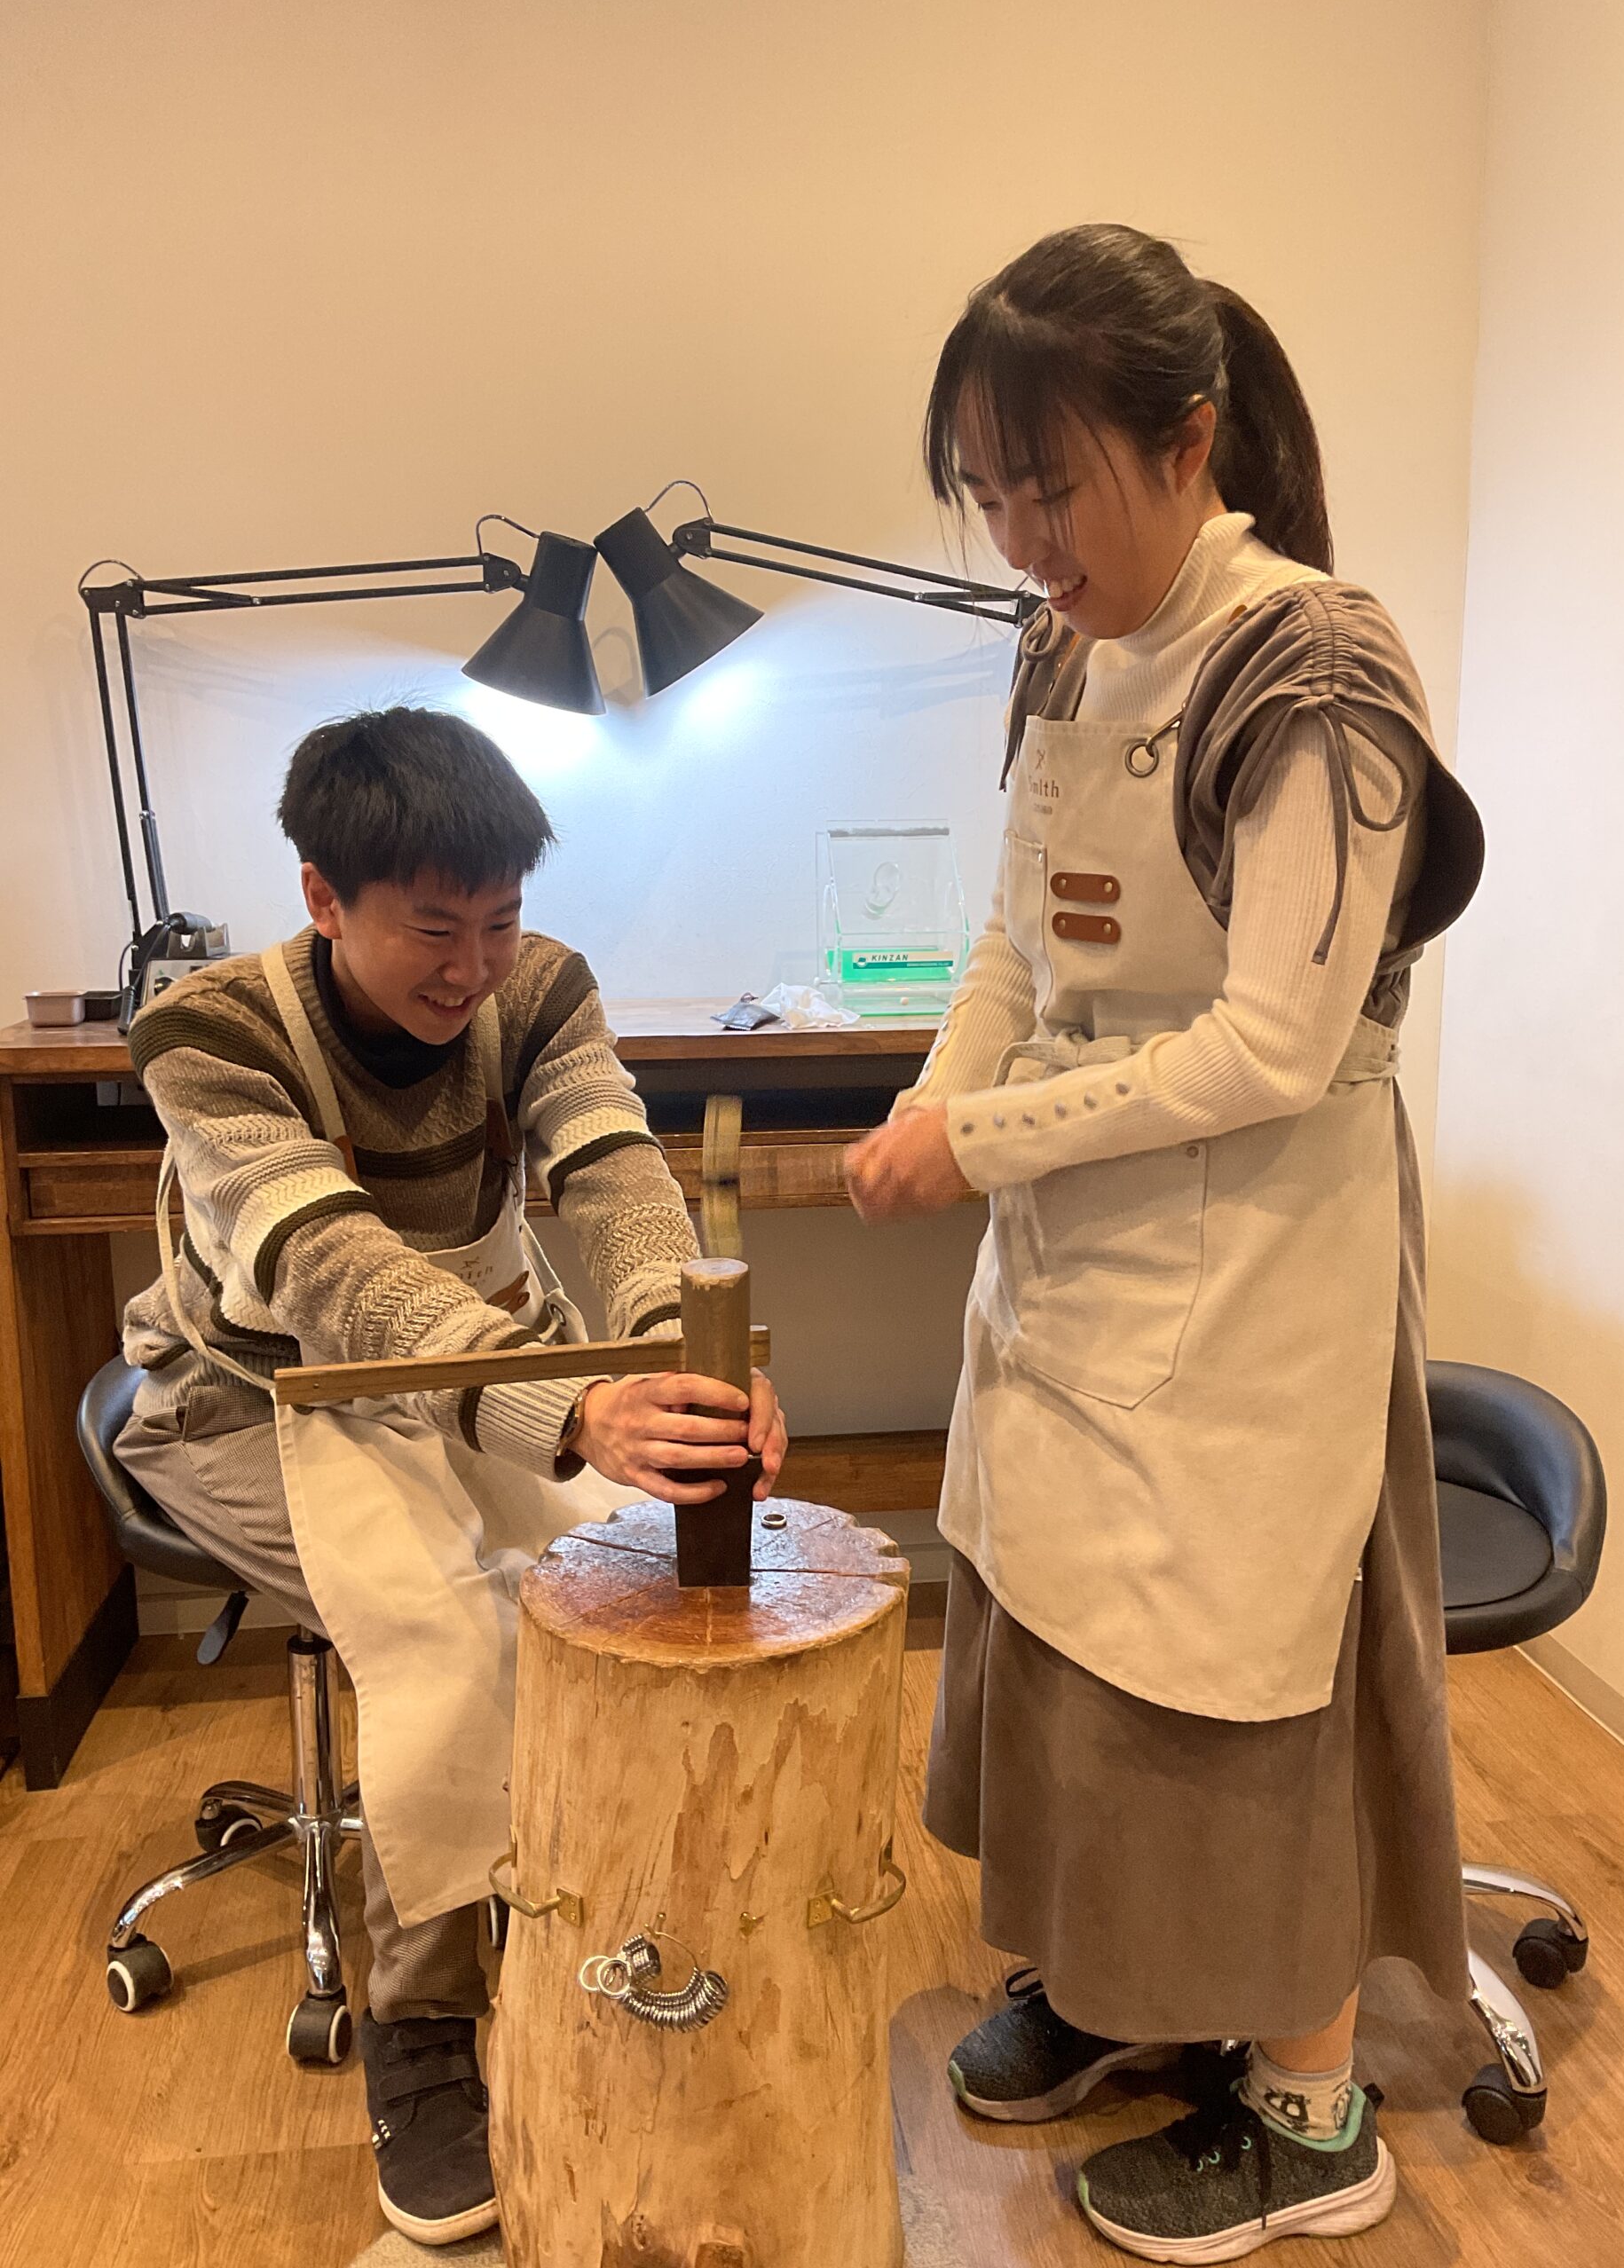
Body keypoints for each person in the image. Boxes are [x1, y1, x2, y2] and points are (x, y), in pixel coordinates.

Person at [846, 224, 1483, 2259]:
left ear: (1189, 441)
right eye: (990, 492)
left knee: (1230, 1673)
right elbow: (1012, 939)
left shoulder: (1316, 674)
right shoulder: (1063, 648)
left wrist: (984, 1136)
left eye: (1053, 486)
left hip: (1259, 1261)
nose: (1022, 538)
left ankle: (1307, 2114)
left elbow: (1276, 1043)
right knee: (1063, 1630)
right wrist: (937, 1099)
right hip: (1074, 1257)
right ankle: (1127, 1991)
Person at [115, 707, 787, 2247]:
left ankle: (595, 1927)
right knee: (454, 1633)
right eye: (433, 929)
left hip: (489, 1370)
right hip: (256, 1399)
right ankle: (420, 2040)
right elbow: (334, 1272)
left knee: (626, 1587)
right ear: (322, 896)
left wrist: (675, 1358)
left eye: (499, 922)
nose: (472, 969)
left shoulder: (539, 990)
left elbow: (614, 1176)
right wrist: (575, 1412)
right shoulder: (207, 1034)